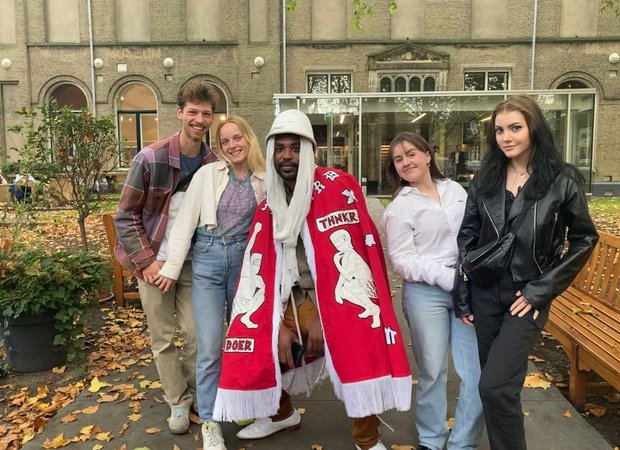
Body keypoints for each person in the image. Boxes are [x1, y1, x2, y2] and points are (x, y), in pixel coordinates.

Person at [213, 109, 412, 450]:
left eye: (295, 147)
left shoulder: (338, 188)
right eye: (280, 148)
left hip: (339, 296)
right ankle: (281, 414)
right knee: (257, 337)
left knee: (356, 338)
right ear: (272, 152)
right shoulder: (268, 206)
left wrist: (324, 317)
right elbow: (260, 274)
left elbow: (360, 256)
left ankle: (367, 439)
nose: (287, 155)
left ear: (309, 151)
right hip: (291, 297)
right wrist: (276, 325)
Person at [454, 95, 598, 450]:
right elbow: (467, 238)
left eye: (515, 127)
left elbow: (584, 238)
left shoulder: (561, 180)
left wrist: (541, 290)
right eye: (500, 130)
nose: (506, 136)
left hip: (527, 296)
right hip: (485, 292)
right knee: (500, 389)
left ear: (533, 128)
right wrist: (463, 293)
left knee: (493, 386)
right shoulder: (485, 178)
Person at [154, 115, 266, 450]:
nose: (232, 145)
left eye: (237, 138)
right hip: (208, 259)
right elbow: (184, 223)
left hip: (246, 263)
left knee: (245, 340)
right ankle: (211, 422)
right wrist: (171, 269)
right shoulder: (207, 175)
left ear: (248, 138)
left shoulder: (265, 178)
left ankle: (244, 405)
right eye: (225, 141)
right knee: (209, 346)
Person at [114, 80, 219, 435]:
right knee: (162, 337)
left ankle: (202, 398)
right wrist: (148, 262)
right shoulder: (150, 158)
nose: (199, 120)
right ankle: (178, 401)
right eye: (193, 112)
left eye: (206, 114)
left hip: (193, 262)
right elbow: (125, 217)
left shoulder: (213, 163)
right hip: (151, 263)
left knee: (196, 335)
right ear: (179, 113)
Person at [381, 132, 484, 450]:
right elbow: (403, 262)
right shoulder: (399, 209)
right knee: (433, 370)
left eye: (411, 153)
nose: (405, 162)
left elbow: (475, 232)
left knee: (475, 371)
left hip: (467, 291)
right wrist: (448, 277)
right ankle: (431, 438)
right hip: (427, 294)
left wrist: (469, 277)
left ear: (427, 155)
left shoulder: (455, 190)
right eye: (398, 159)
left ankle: (463, 442)